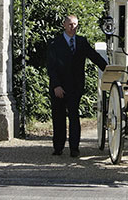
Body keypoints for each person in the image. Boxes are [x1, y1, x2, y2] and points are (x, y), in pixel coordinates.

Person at [47, 15, 107, 157]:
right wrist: (56, 85)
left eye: (75, 25)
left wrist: (108, 68)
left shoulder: (81, 42)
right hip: (58, 87)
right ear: (64, 25)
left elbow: (94, 57)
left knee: (74, 116)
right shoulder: (54, 43)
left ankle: (74, 148)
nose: (72, 27)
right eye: (70, 24)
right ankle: (58, 147)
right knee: (58, 117)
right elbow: (51, 66)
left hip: (75, 86)